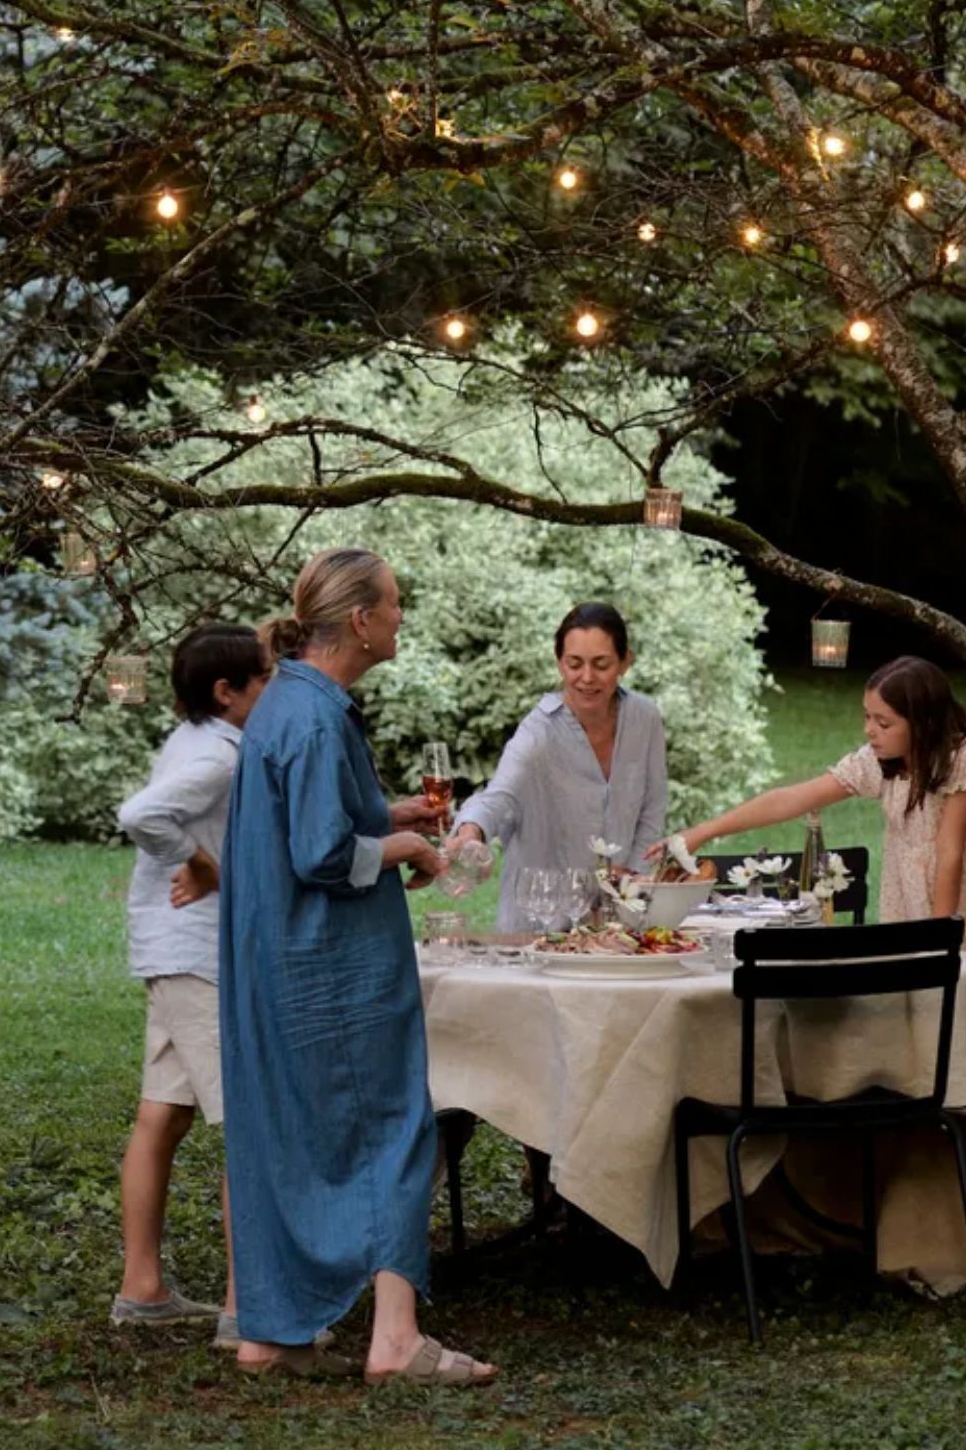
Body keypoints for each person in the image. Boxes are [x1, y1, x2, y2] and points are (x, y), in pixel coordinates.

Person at [218, 548, 496, 1387]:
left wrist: (389, 812)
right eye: (397, 603)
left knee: (287, 1133)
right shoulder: (311, 716)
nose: (403, 616)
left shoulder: (293, 702)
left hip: (280, 958)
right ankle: (397, 1340)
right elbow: (322, 854)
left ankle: (269, 1333)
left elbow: (324, 818)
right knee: (392, 1128)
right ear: (363, 620)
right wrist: (407, 843)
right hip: (330, 965)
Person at [661, 656, 966, 1051]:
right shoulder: (879, 762)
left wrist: (941, 940)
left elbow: (950, 853)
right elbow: (790, 800)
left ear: (923, 722)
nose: (870, 731)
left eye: (883, 722)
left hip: (964, 905)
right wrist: (702, 832)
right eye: (867, 717)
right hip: (912, 899)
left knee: (964, 1013)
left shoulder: (958, 757)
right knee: (918, 1025)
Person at [105, 622, 272, 1332]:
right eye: (263, 678)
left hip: (167, 949)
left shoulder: (193, 740)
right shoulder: (222, 757)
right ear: (227, 692)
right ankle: (251, 1308)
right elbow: (141, 814)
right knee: (250, 1123)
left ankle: (142, 1289)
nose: (273, 688)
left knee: (163, 1114)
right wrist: (199, 861)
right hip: (196, 955)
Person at [439, 600, 672, 933]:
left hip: (617, 926)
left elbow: (652, 807)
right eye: (574, 663)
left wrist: (631, 877)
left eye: (601, 664)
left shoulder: (644, 717)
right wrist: (470, 831)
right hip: (538, 928)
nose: (587, 677)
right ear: (559, 663)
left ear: (625, 662)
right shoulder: (538, 732)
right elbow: (499, 797)